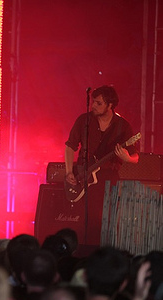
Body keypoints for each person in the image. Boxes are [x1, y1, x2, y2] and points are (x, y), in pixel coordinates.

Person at [65, 85, 139, 245]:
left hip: (108, 178)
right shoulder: (84, 121)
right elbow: (70, 146)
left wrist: (127, 158)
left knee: (106, 219)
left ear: (110, 105)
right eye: (93, 102)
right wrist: (69, 171)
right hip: (83, 175)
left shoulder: (122, 126)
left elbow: (135, 157)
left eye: (98, 103)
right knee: (83, 219)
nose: (93, 106)